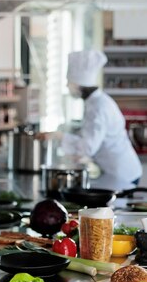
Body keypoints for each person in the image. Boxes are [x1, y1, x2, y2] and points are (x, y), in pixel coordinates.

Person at [37, 49, 142, 190]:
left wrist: (59, 136)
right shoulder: (95, 102)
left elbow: (88, 147)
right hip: (115, 169)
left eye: (69, 83)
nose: (68, 87)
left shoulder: (98, 108)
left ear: (78, 84)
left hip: (122, 173)